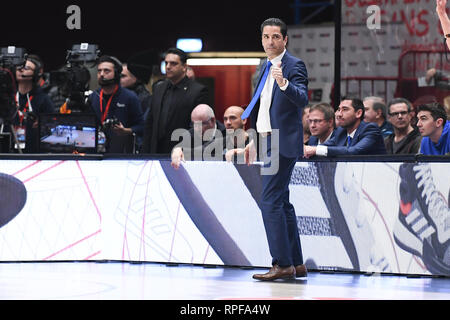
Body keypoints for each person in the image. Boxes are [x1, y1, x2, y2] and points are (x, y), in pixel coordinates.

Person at [242, 18, 308, 281]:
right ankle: (296, 263)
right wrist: (253, 140)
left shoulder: (294, 65)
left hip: (282, 140)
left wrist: (284, 84)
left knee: (269, 201)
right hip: (268, 138)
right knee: (281, 202)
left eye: (276, 37)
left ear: (285, 40)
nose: (270, 41)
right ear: (261, 39)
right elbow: (261, 107)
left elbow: (302, 98)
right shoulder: (263, 66)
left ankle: (282, 264)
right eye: (266, 36)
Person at [142, 48, 209, 154]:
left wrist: (184, 149)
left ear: (184, 67)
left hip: (183, 151)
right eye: (166, 63)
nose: (168, 67)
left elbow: (199, 126)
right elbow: (150, 121)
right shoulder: (159, 88)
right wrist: (145, 153)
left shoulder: (198, 91)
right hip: (156, 151)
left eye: (173, 64)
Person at [88, 55, 144, 153]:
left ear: (117, 74)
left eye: (106, 71)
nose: (101, 74)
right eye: (99, 71)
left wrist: (126, 131)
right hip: (96, 151)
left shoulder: (130, 97)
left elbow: (141, 127)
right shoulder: (93, 97)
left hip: (122, 153)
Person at [303, 97, 387, 158]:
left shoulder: (370, 129)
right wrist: (305, 148)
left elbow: (354, 151)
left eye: (345, 109)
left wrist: (315, 150)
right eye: (339, 110)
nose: (339, 114)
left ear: (358, 113)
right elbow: (325, 146)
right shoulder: (341, 131)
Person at [13, 55, 55, 153]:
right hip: (7, 151)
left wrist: (43, 125)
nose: (21, 70)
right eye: (18, 67)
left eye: (26, 68)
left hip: (35, 151)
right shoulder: (9, 97)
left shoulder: (43, 99)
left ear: (36, 73)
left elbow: (52, 127)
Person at [170, 104, 226, 169]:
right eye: (194, 124)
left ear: (212, 121)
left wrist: (184, 151)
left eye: (200, 124)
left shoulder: (226, 132)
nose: (196, 129)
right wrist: (177, 149)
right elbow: (179, 149)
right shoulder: (189, 134)